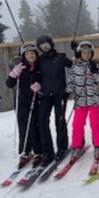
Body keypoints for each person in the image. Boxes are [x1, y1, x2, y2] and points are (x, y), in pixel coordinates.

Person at [66, 40, 99, 162]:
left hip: (95, 100)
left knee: (95, 123)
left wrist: (94, 73)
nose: (86, 55)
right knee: (77, 124)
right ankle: (76, 146)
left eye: (89, 53)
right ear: (80, 54)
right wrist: (67, 92)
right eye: (84, 53)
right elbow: (70, 82)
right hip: (80, 101)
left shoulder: (97, 66)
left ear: (92, 54)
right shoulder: (75, 67)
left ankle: (98, 145)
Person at [36, 34, 72, 165]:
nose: (45, 47)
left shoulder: (60, 58)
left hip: (59, 94)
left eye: (47, 44)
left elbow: (75, 66)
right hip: (45, 95)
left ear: (51, 44)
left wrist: (76, 51)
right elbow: (29, 67)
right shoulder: (39, 60)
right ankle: (47, 151)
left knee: (60, 121)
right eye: (42, 46)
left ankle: (62, 148)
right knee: (42, 122)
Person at [6, 44, 43, 167]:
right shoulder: (21, 67)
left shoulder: (39, 67)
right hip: (22, 101)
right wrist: (14, 74)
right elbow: (9, 84)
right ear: (24, 56)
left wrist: (40, 86)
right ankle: (25, 151)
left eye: (32, 53)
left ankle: (38, 151)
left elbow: (45, 80)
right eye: (27, 54)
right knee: (23, 126)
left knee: (34, 126)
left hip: (35, 100)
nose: (30, 56)